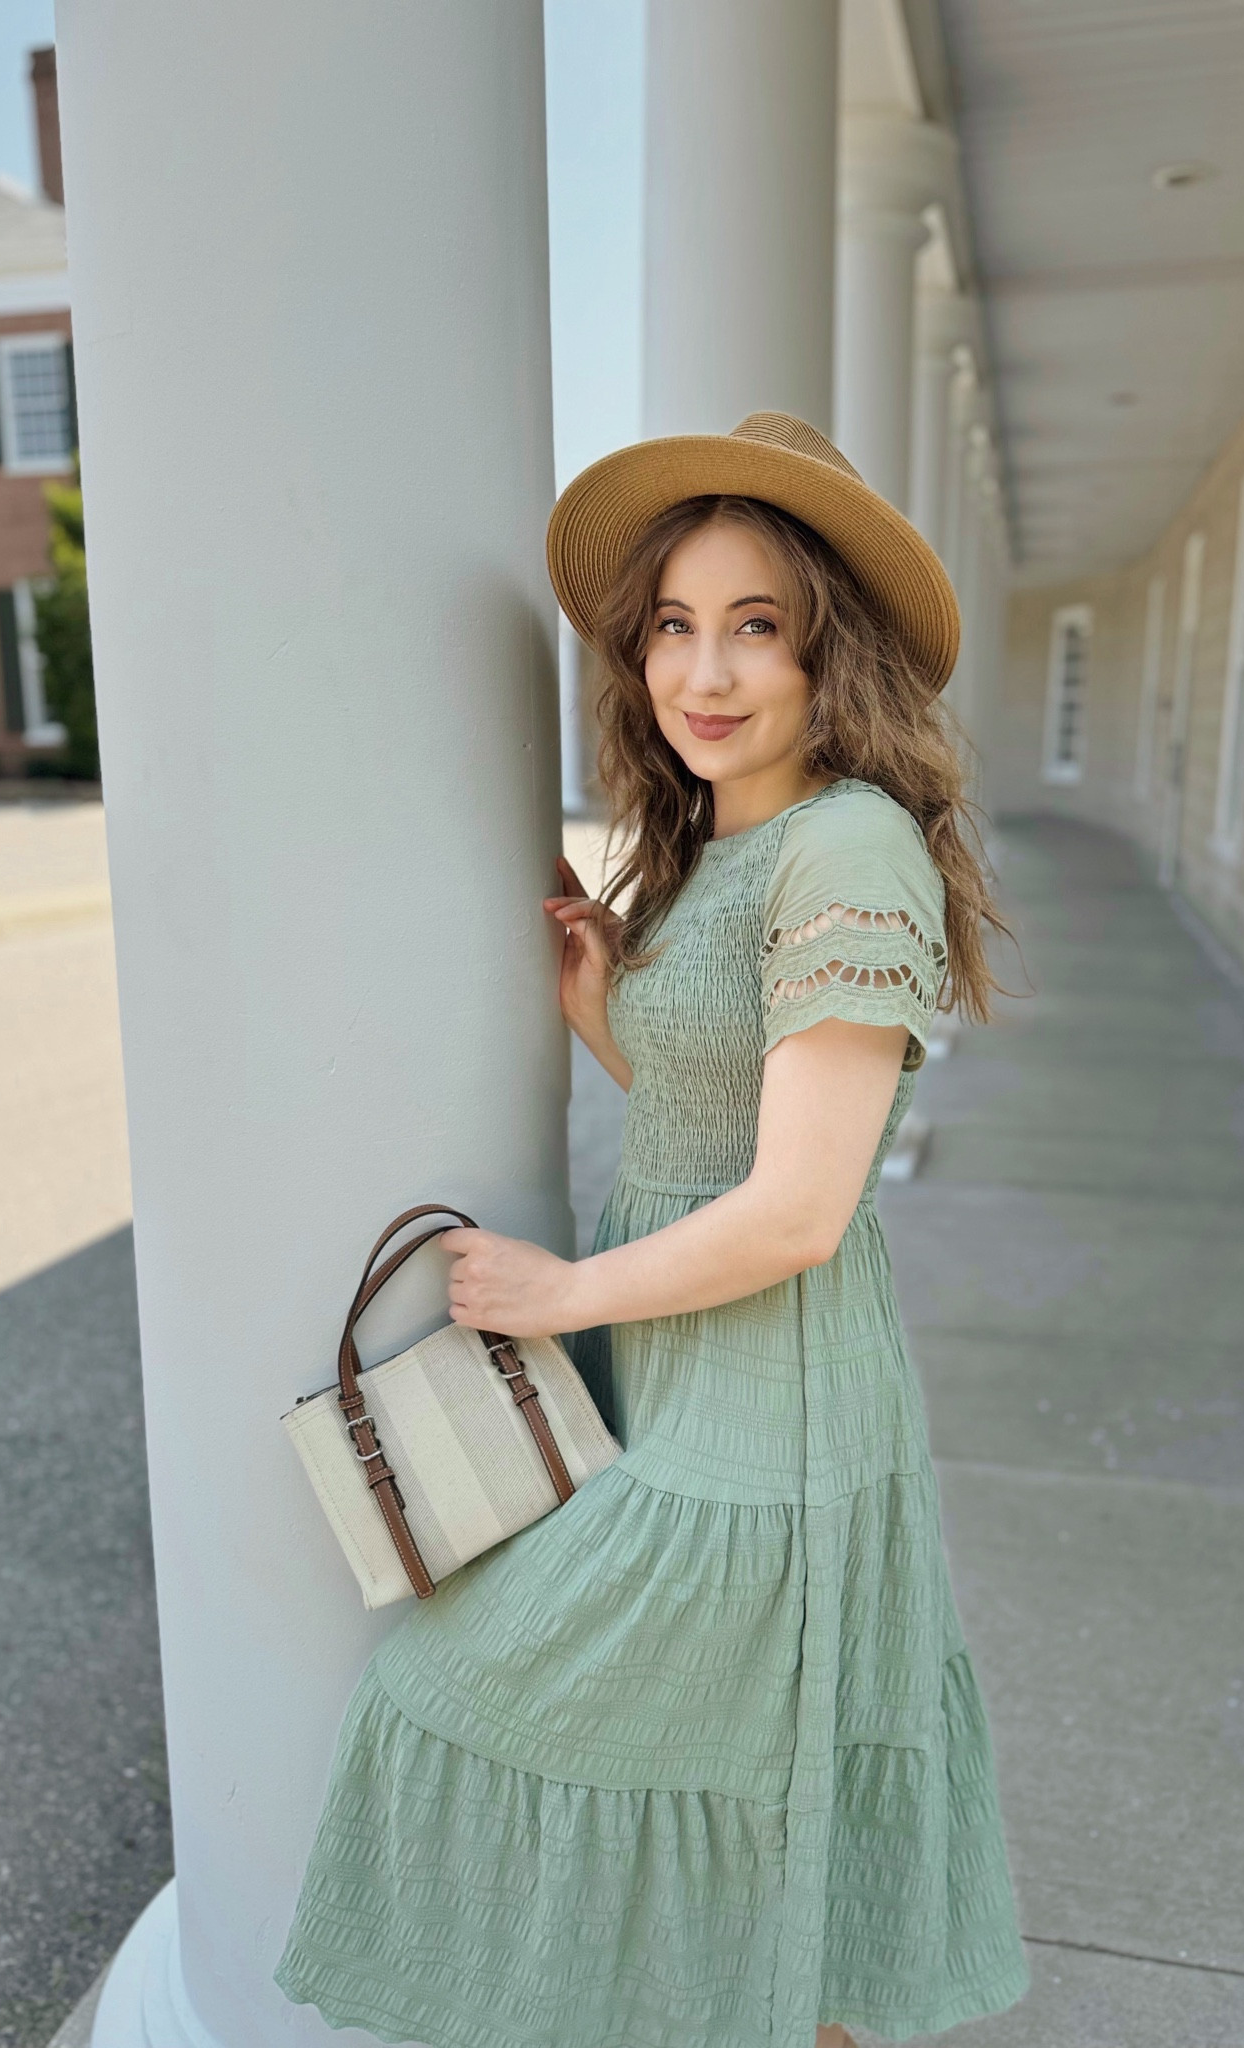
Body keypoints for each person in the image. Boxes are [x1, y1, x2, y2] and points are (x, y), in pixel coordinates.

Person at [275, 413, 1029, 2048]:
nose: (706, 668)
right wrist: (608, 1008)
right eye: (675, 625)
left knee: (469, 1681)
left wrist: (557, 1290)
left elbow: (801, 1210)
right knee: (754, 1779)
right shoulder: (728, 843)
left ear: (839, 651)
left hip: (770, 1403)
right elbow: (723, 1116)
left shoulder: (847, 846)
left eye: (757, 626)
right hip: (675, 1365)